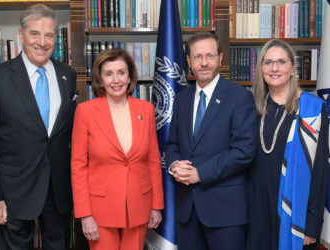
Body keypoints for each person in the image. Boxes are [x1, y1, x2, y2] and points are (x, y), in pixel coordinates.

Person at [0, 4, 77, 249]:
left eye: (49, 35)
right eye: (35, 33)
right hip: (13, 192)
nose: (42, 42)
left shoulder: (67, 75)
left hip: (58, 190)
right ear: (21, 35)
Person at [165, 32, 257, 250]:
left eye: (210, 56)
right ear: (188, 61)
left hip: (225, 213)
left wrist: (200, 173)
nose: (204, 63)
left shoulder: (239, 97)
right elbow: (172, 144)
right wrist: (174, 164)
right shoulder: (182, 99)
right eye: (197, 57)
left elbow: (244, 151)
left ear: (220, 58)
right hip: (187, 210)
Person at [71, 48, 164, 250]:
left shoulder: (145, 110)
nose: (116, 80)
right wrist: (84, 214)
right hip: (99, 210)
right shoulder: (85, 112)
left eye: (121, 72)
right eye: (109, 74)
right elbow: (78, 166)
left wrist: (156, 205)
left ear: (129, 76)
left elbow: (153, 161)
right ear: (100, 78)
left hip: (139, 205)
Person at [247, 39, 329, 250]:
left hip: (295, 213)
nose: (274, 68)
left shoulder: (312, 110)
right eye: (268, 62)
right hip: (255, 211)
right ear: (261, 68)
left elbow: (320, 172)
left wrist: (311, 226)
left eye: (281, 62)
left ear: (293, 67)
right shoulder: (250, 107)